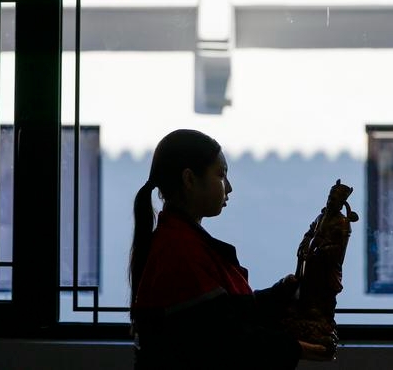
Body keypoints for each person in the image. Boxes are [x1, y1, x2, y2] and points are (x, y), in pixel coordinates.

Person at [130, 129, 332, 369]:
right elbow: (224, 342)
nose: (229, 187)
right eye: (221, 175)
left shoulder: (184, 242)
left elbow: (224, 315)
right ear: (189, 179)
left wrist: (279, 294)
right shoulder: (179, 252)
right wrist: (299, 348)